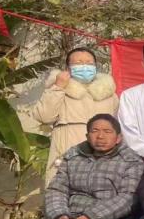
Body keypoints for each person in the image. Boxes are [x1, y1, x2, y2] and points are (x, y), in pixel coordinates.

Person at [30, 48, 119, 184]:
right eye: (78, 63)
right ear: (68, 68)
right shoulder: (58, 89)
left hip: (102, 159)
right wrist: (58, 87)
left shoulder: (109, 95)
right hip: (66, 156)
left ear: (95, 67)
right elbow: (44, 116)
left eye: (89, 63)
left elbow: (117, 127)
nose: (84, 66)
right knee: (60, 193)